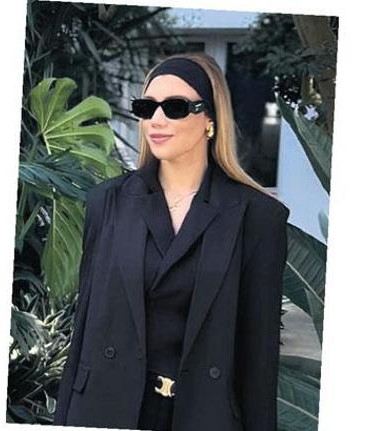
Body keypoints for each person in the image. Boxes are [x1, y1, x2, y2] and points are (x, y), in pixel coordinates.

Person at [53, 52, 290, 431]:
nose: (157, 120)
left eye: (175, 107)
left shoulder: (258, 217)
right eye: (147, 108)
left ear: (210, 119)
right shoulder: (107, 202)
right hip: (105, 408)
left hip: (203, 415)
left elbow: (258, 360)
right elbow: (84, 330)